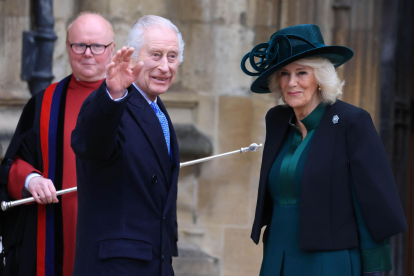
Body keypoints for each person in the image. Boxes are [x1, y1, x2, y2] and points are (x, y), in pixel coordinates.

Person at [241, 24, 407, 276]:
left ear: (320, 77)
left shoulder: (352, 121)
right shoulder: (276, 120)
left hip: (329, 261)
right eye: (284, 73)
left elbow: (370, 199)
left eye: (302, 72)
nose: (291, 83)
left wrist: (374, 267)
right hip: (277, 257)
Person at [0, 13, 115, 276]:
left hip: (116, 236)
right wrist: (30, 180)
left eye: (97, 46)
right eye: (79, 45)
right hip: (52, 235)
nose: (88, 54)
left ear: (112, 51)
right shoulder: (44, 103)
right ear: (67, 47)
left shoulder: (134, 105)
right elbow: (13, 163)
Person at [71, 15, 183, 275]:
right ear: (132, 58)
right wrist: (112, 95)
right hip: (116, 265)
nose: (165, 67)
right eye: (155, 55)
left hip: (154, 262)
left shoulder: (158, 110)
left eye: (172, 56)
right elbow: (89, 145)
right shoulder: (111, 101)